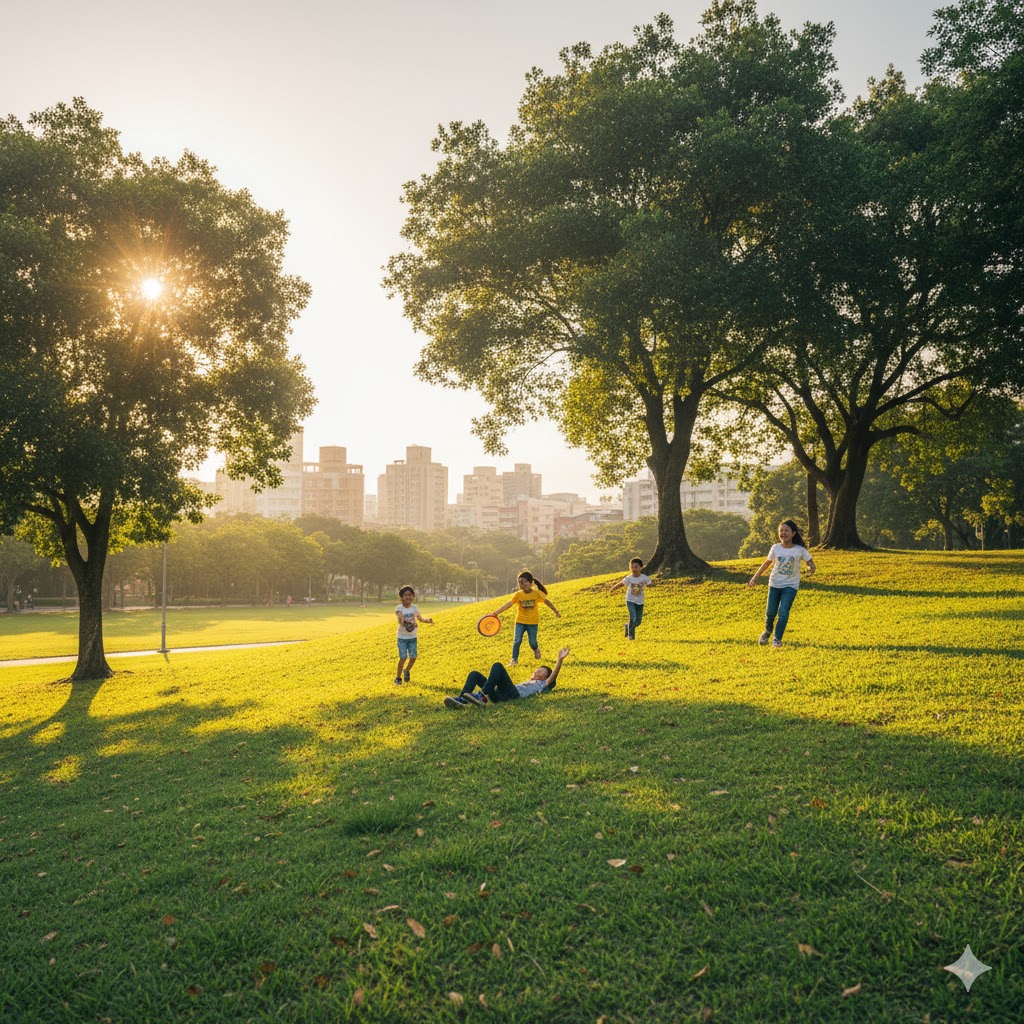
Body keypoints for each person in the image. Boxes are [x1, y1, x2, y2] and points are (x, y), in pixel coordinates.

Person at [747, 519, 817, 648]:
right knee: (770, 612)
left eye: (786, 531)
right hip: (774, 584)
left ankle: (777, 639)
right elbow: (767, 563)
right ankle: (767, 631)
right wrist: (754, 578)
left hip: (791, 586)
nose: (783, 533)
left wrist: (810, 570)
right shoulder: (775, 548)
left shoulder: (800, 550)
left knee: (783, 612)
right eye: (781, 531)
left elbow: (811, 564)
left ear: (793, 533)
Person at [444, 647, 571, 708]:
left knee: (498, 666)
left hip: (513, 695)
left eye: (541, 673)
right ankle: (461, 701)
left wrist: (559, 659)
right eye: (536, 671)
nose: (536, 673)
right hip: (501, 694)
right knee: (474, 674)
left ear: (545, 678)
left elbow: (553, 677)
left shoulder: (542, 685)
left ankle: (482, 697)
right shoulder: (528, 682)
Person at [491, 570, 561, 666]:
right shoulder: (518, 595)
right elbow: (509, 604)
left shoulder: (536, 594)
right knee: (517, 640)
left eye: (523, 582)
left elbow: (547, 602)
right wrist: (496, 613)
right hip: (520, 621)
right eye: (519, 582)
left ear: (530, 583)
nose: (521, 584)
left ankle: (536, 649)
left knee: (532, 642)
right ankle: (514, 660)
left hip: (532, 622)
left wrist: (556, 611)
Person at [394, 585, 434, 684]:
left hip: (412, 637)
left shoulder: (414, 608)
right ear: (401, 597)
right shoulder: (399, 608)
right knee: (403, 657)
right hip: (402, 638)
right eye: (406, 595)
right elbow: (400, 620)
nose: (408, 597)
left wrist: (427, 620)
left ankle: (406, 670)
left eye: (410, 595)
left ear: (413, 596)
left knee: (413, 657)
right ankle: (398, 678)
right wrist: (408, 624)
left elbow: (420, 619)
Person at [609, 557, 652, 640]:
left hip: (640, 601)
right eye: (632, 567)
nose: (634, 569)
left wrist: (652, 585)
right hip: (630, 600)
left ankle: (627, 626)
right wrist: (613, 588)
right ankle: (631, 636)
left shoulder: (644, 578)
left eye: (636, 567)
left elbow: (649, 583)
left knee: (638, 621)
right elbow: (621, 584)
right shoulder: (629, 578)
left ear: (641, 567)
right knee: (633, 617)